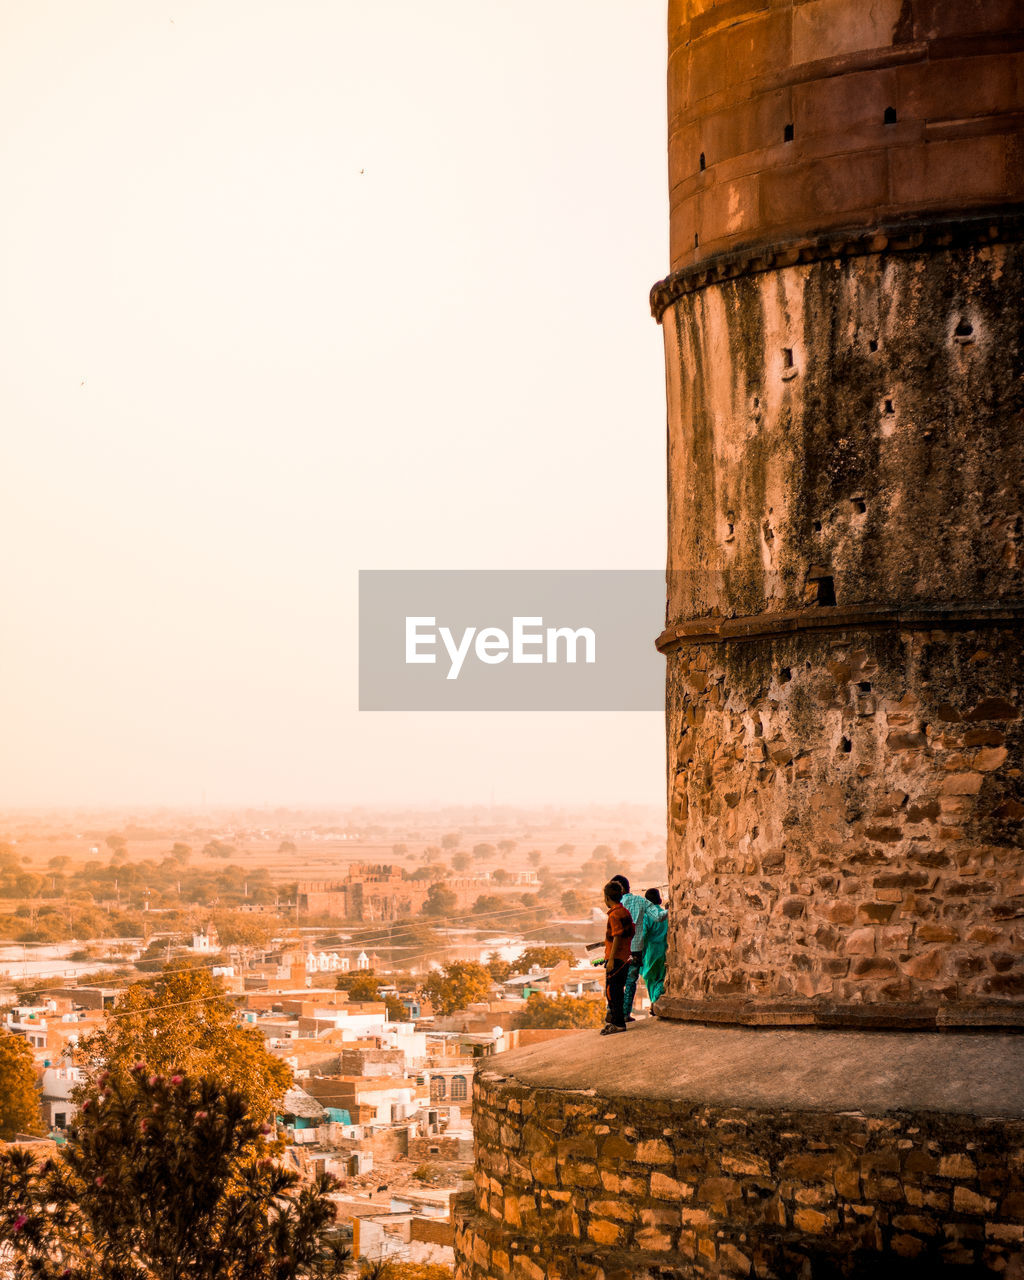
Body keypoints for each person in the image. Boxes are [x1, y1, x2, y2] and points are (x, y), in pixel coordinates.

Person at [610, 873, 661, 1021]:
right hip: (637, 949)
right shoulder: (640, 901)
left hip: (620, 950)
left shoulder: (617, 906)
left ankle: (614, 1013)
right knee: (631, 981)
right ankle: (625, 1013)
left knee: (616, 982)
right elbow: (658, 917)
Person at [600, 879, 634, 1035]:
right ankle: (616, 1021)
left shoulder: (614, 915)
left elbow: (617, 936)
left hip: (617, 959)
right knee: (618, 990)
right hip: (625, 956)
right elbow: (630, 933)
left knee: (612, 992)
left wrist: (611, 959)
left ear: (607, 898)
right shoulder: (625, 912)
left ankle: (618, 1023)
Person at [640, 887, 668, 1007]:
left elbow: (643, 934)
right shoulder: (665, 915)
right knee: (660, 978)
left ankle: (654, 1002)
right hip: (664, 950)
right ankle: (656, 1002)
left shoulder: (647, 916)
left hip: (651, 951)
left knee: (650, 978)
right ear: (660, 901)